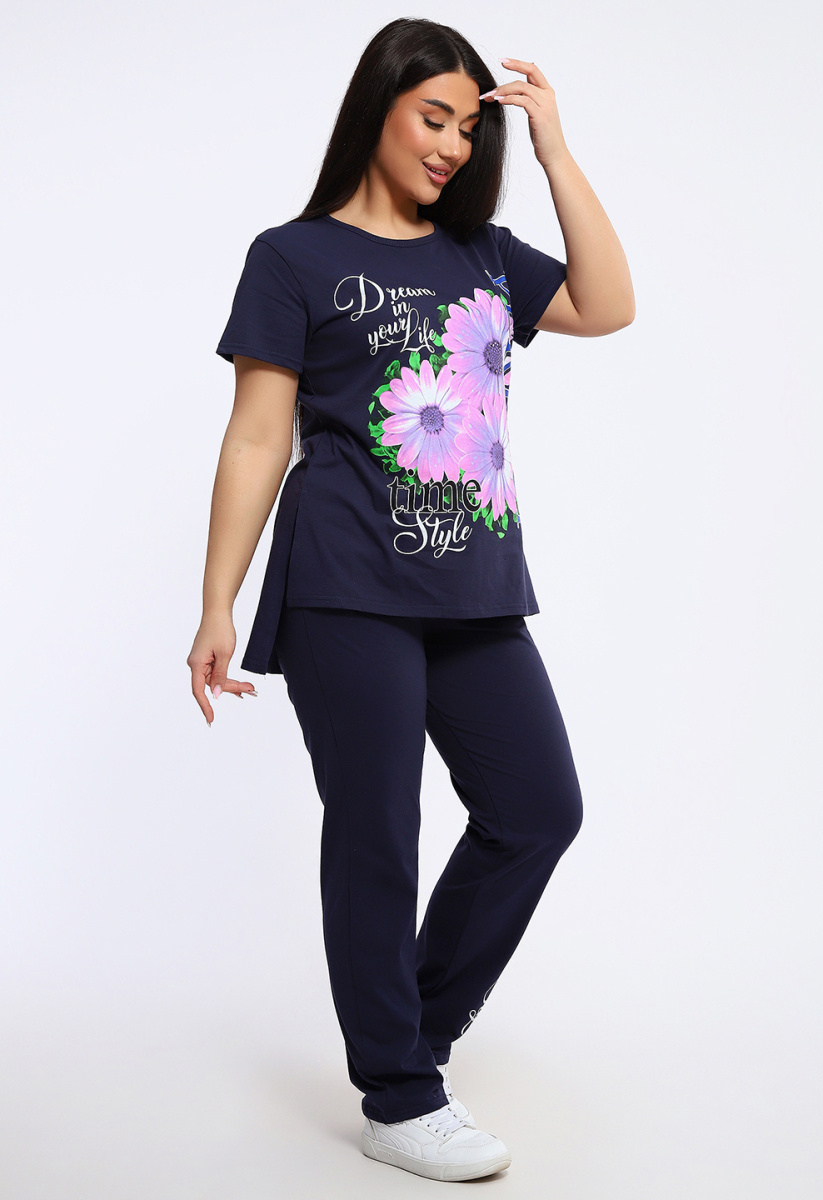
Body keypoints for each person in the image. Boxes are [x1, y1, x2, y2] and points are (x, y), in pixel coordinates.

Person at [187, 17, 634, 1184]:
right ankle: (397, 1097)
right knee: (377, 831)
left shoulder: (481, 252)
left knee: (536, 810)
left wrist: (552, 152)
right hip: (345, 583)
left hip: (475, 586)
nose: (449, 144)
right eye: (433, 116)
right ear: (377, 108)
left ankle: (411, 1040)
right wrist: (216, 603)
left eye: (467, 127)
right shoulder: (291, 257)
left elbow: (607, 304)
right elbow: (256, 437)